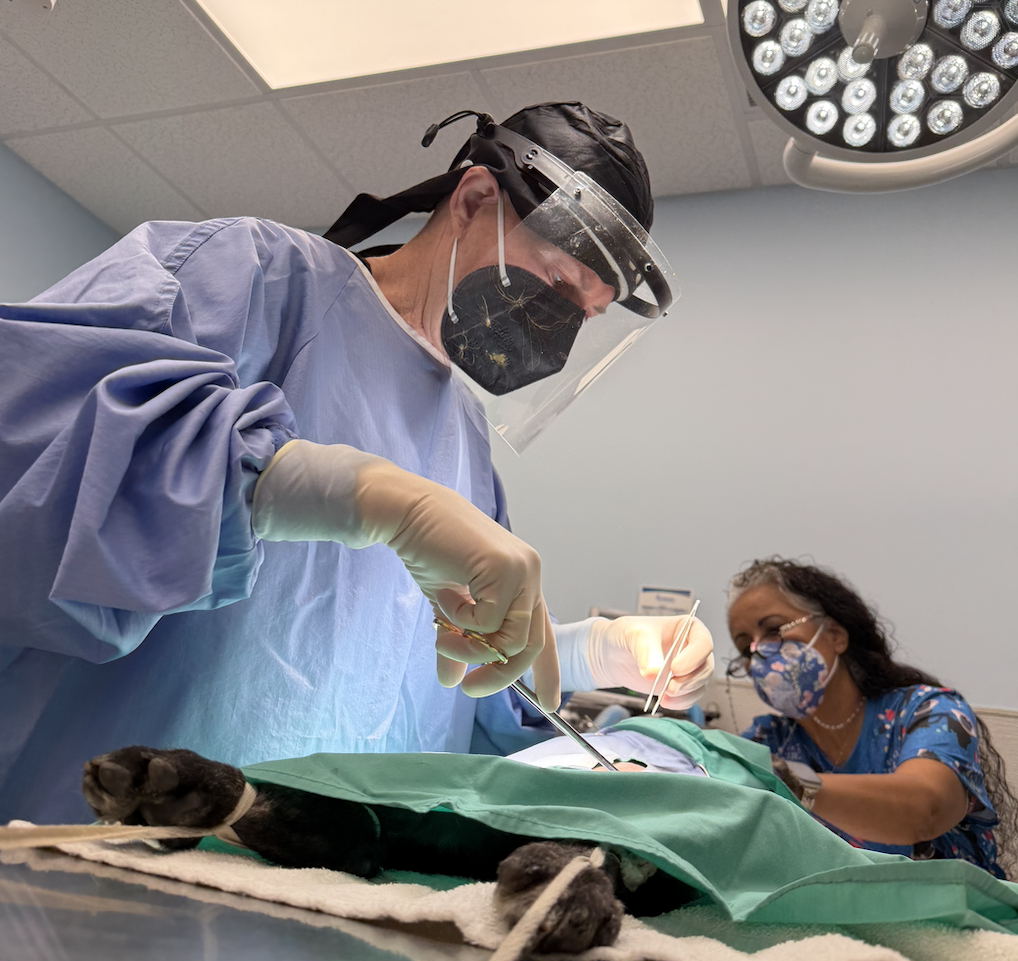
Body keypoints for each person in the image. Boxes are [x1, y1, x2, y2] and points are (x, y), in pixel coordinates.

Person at [0, 102, 713, 823]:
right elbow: (39, 463)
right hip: (89, 857)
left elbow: (453, 665)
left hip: (312, 896)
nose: (558, 325)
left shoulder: (464, 439)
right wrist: (337, 491)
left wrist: (597, 652)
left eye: (582, 315)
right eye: (558, 284)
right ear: (473, 200)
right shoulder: (254, 275)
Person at [725, 558, 1016, 877]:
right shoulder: (769, 742)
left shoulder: (929, 712)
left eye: (773, 630)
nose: (759, 653)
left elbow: (924, 811)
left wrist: (794, 783)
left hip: (958, 916)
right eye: (746, 648)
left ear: (835, 635)